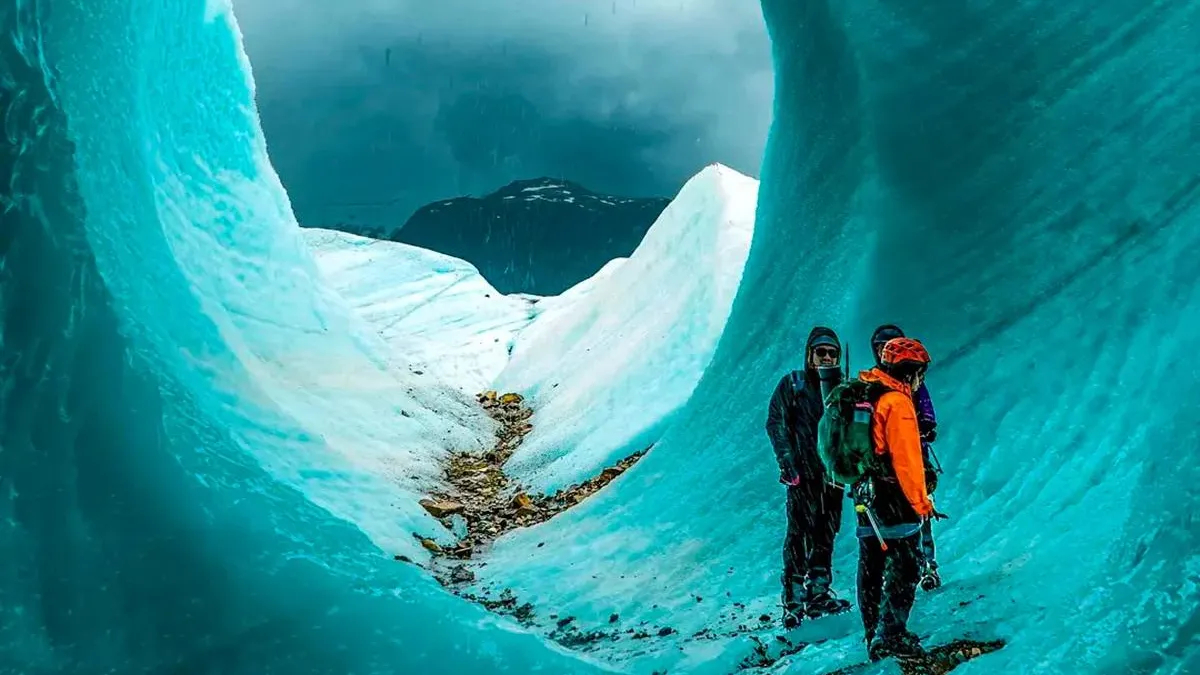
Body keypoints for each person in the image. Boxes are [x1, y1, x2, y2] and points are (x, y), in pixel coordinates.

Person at [852, 337, 945, 660]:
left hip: (865, 493)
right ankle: (891, 634)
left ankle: (872, 635)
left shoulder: (865, 390)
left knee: (871, 565)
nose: (921, 380)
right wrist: (922, 504)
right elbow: (907, 462)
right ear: (911, 371)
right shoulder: (897, 403)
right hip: (892, 496)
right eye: (920, 373)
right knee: (907, 566)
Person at [765, 326, 853, 628]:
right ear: (809, 354)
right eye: (822, 352)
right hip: (803, 474)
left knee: (826, 532)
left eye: (832, 353)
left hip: (832, 476)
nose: (827, 357)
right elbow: (775, 421)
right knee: (799, 534)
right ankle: (793, 598)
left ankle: (818, 591)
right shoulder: (794, 384)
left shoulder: (842, 387)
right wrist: (787, 461)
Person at [870, 325, 942, 590]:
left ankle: (921, 566)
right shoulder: (890, 385)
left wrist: (925, 424)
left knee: (911, 512)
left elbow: (924, 406)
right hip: (906, 459)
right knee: (915, 509)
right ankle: (916, 567)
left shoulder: (888, 382)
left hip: (904, 459)